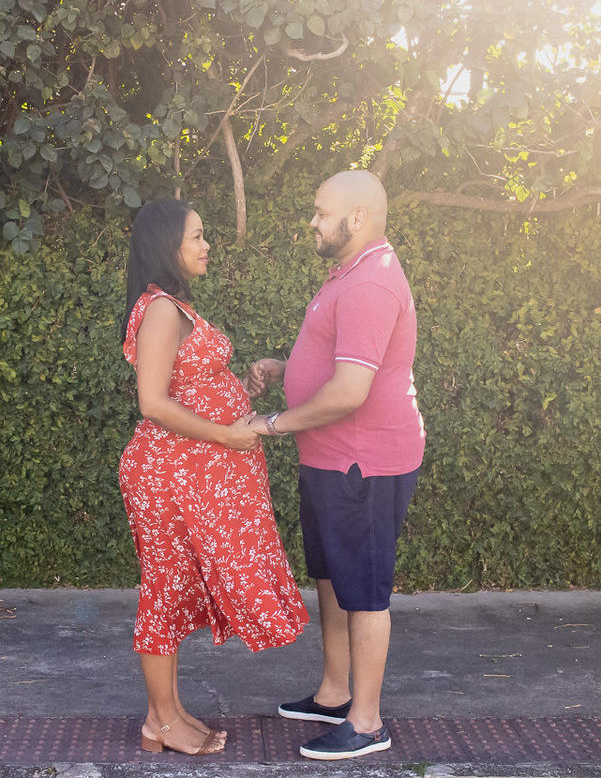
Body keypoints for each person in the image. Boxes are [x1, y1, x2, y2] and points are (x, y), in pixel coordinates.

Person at [118, 199, 309, 757]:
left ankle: (170, 712)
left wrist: (240, 393)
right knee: (164, 588)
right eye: (197, 236)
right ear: (166, 245)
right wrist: (227, 435)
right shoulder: (158, 309)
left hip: (187, 472)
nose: (206, 246)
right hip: (165, 474)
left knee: (176, 589)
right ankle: (160, 721)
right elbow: (153, 402)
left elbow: (188, 391)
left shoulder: (174, 306)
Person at [246, 170, 425, 761]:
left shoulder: (371, 283)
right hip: (330, 457)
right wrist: (284, 366)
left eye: (321, 213)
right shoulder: (347, 273)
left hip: (362, 464)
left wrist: (271, 424)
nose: (312, 222)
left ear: (357, 220)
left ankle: (367, 723)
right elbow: (334, 358)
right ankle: (334, 693)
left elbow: (351, 391)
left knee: (364, 592)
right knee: (329, 578)